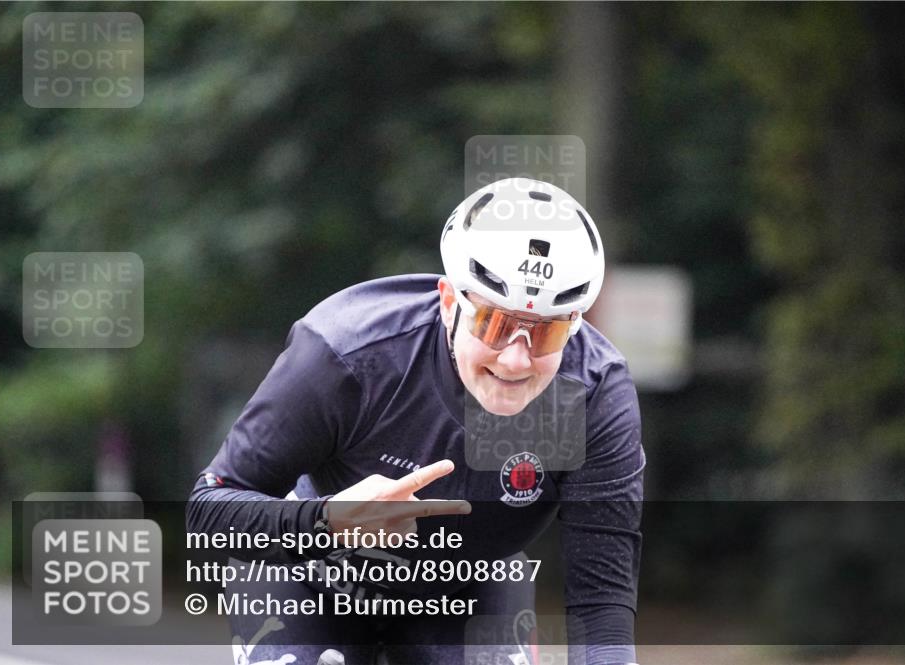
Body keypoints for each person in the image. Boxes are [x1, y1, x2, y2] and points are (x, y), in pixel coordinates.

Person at [188, 177, 645, 665]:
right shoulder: (348, 353)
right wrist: (326, 523)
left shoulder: (593, 393)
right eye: (494, 324)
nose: (516, 360)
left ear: (575, 325)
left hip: (471, 586)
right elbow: (207, 511)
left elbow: (601, 603)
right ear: (450, 301)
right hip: (310, 574)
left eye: (548, 333)